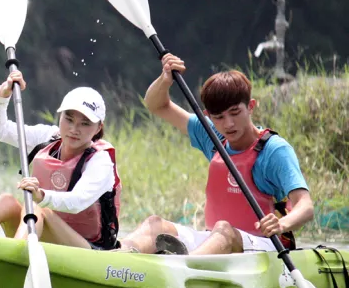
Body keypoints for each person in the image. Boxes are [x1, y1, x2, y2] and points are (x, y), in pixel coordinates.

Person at [120, 53, 313, 255]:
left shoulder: (274, 150)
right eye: (219, 117)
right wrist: (165, 78)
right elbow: (156, 105)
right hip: (216, 239)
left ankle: (181, 268)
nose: (228, 124)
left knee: (224, 230)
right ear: (207, 116)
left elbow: (305, 205)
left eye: (235, 112)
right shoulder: (212, 135)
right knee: (155, 224)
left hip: (264, 245)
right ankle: (117, 258)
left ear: (250, 106)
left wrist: (282, 224)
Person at [0, 70, 122, 250]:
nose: (74, 129)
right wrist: (3, 95)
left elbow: (77, 201)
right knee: (6, 201)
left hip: (88, 249)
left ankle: (11, 255)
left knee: (39, 208)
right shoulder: (46, 138)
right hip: (41, 236)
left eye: (85, 123)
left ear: (99, 128)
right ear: (60, 117)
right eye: (69, 119)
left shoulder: (100, 160)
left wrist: (41, 196)